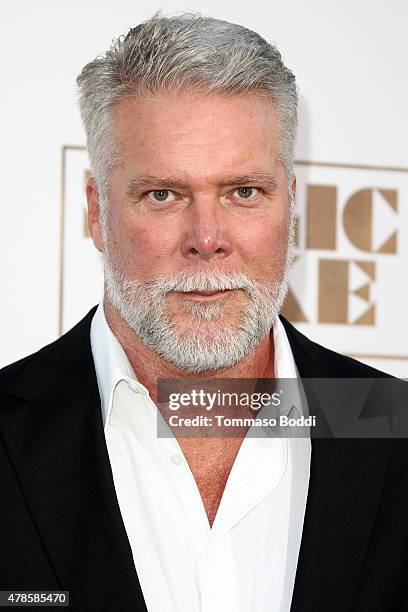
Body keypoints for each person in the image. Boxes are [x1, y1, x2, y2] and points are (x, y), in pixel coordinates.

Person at [1, 12, 408, 612]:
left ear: (291, 205)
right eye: (163, 195)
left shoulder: (390, 427)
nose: (207, 238)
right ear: (96, 210)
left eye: (244, 191)